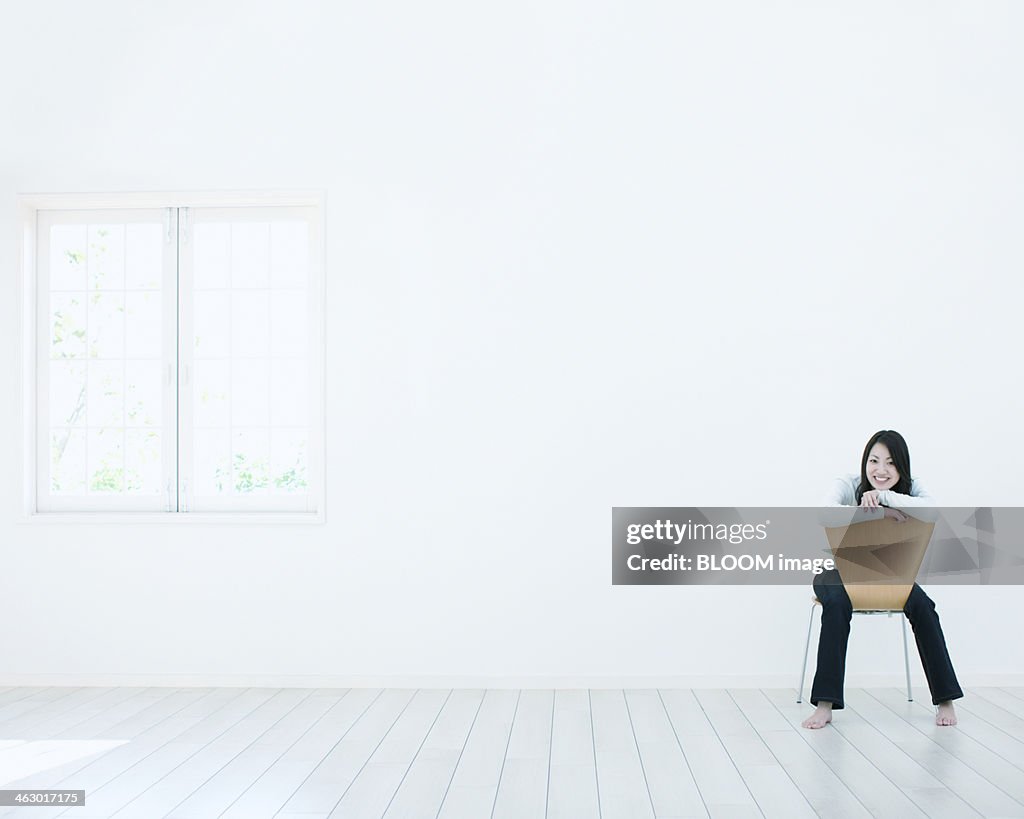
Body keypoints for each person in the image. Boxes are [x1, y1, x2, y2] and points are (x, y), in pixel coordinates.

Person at [802, 430, 963, 729]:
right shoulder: (847, 484)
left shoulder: (912, 489)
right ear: (865, 462)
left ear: (901, 467)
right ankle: (825, 705)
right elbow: (823, 514)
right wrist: (876, 515)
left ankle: (945, 699)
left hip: (889, 575)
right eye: (874, 461)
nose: (881, 470)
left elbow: (934, 511)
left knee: (924, 606)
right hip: (840, 572)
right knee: (835, 602)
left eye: (890, 463)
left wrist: (885, 499)